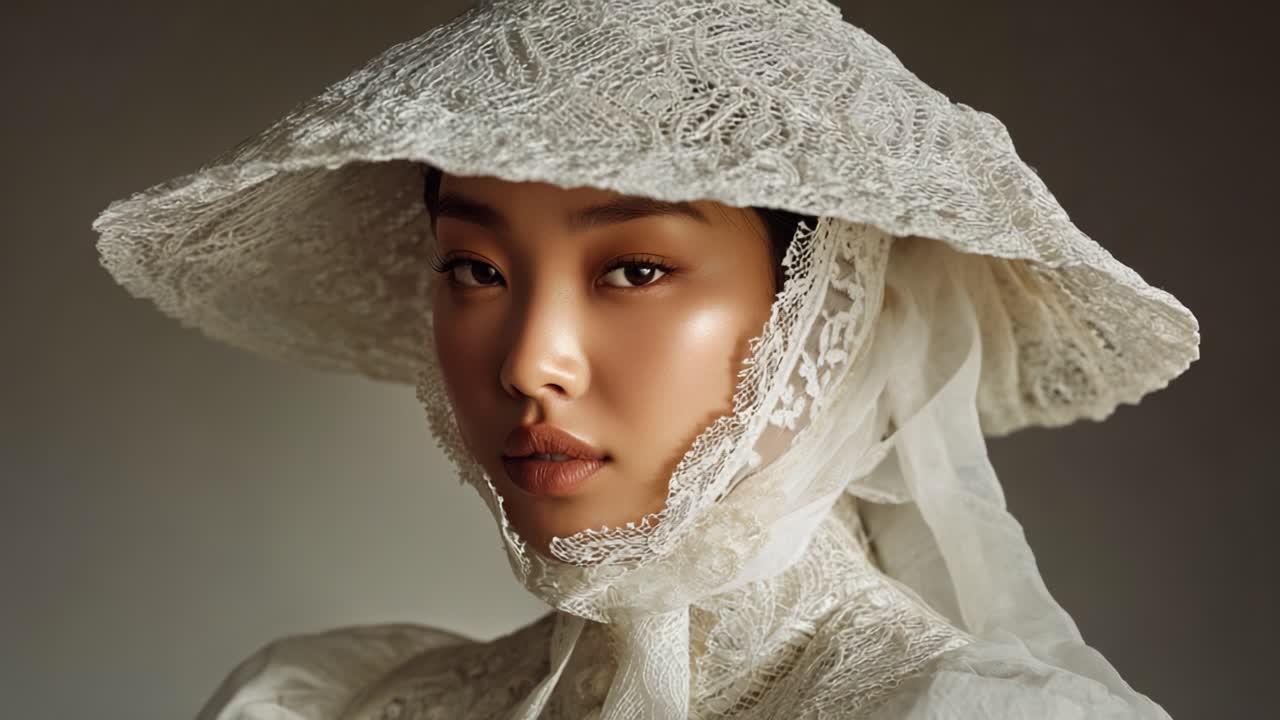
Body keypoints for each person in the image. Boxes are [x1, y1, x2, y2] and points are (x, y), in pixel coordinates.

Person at [92, 0, 1199, 717]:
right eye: (474, 270)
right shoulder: (329, 708)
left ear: (825, 304)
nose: (530, 364)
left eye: (632, 270)